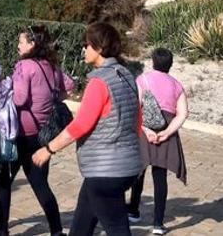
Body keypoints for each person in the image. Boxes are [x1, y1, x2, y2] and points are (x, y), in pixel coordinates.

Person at [32, 22, 141, 236]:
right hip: (124, 166)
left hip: (106, 171)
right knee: (82, 224)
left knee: (117, 228)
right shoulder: (126, 75)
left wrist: (48, 149)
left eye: (87, 44)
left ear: (99, 48)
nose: (83, 49)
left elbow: (81, 124)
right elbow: (137, 120)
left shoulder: (99, 82)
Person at [0, 25, 75, 236]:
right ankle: (56, 230)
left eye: (22, 42)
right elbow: (70, 85)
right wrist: (50, 98)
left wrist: (5, 89)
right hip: (42, 135)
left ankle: (1, 229)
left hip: (20, 134)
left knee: (2, 180)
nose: (18, 45)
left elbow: (19, 99)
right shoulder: (51, 66)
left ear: (32, 44)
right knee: (40, 184)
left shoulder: (24, 66)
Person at [127, 48, 188, 235]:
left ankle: (133, 210)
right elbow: (183, 113)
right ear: (170, 64)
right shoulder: (177, 85)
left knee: (139, 171)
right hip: (166, 129)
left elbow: (135, 108)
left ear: (153, 61)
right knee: (160, 177)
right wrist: (167, 132)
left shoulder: (142, 80)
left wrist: (145, 130)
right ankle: (158, 224)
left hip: (145, 128)